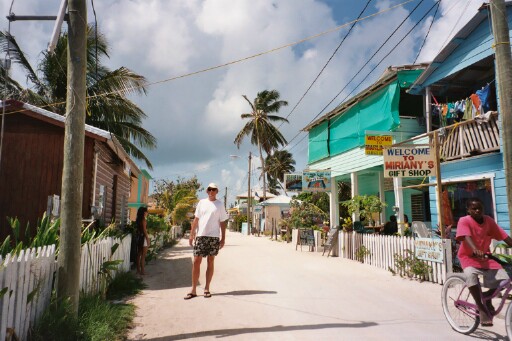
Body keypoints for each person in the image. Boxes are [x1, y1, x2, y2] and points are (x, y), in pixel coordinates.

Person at [455, 197, 512, 326]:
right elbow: (466, 236)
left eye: (479, 208)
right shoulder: (464, 220)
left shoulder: (489, 221)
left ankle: (487, 298)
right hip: (468, 257)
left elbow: (504, 236)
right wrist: (475, 249)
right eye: (474, 208)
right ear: (468, 210)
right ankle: (480, 306)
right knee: (471, 276)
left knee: (504, 278)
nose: (477, 210)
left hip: (485, 257)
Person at [184, 183, 228, 300]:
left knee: (210, 261)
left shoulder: (219, 205)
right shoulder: (201, 203)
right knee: (196, 261)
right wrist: (191, 234)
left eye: (214, 189)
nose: (211, 191)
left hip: (213, 237)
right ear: (207, 191)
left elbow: (223, 222)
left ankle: (207, 288)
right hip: (201, 236)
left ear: (217, 191)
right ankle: (193, 289)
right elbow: (196, 219)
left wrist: (223, 238)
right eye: (209, 189)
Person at [136, 206, 150, 276]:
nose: (147, 213)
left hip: (139, 237)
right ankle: (142, 271)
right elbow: (144, 230)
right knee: (143, 256)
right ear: (144, 212)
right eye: (146, 211)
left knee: (139, 254)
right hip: (143, 238)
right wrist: (148, 239)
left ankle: (138, 270)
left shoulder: (138, 220)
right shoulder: (143, 220)